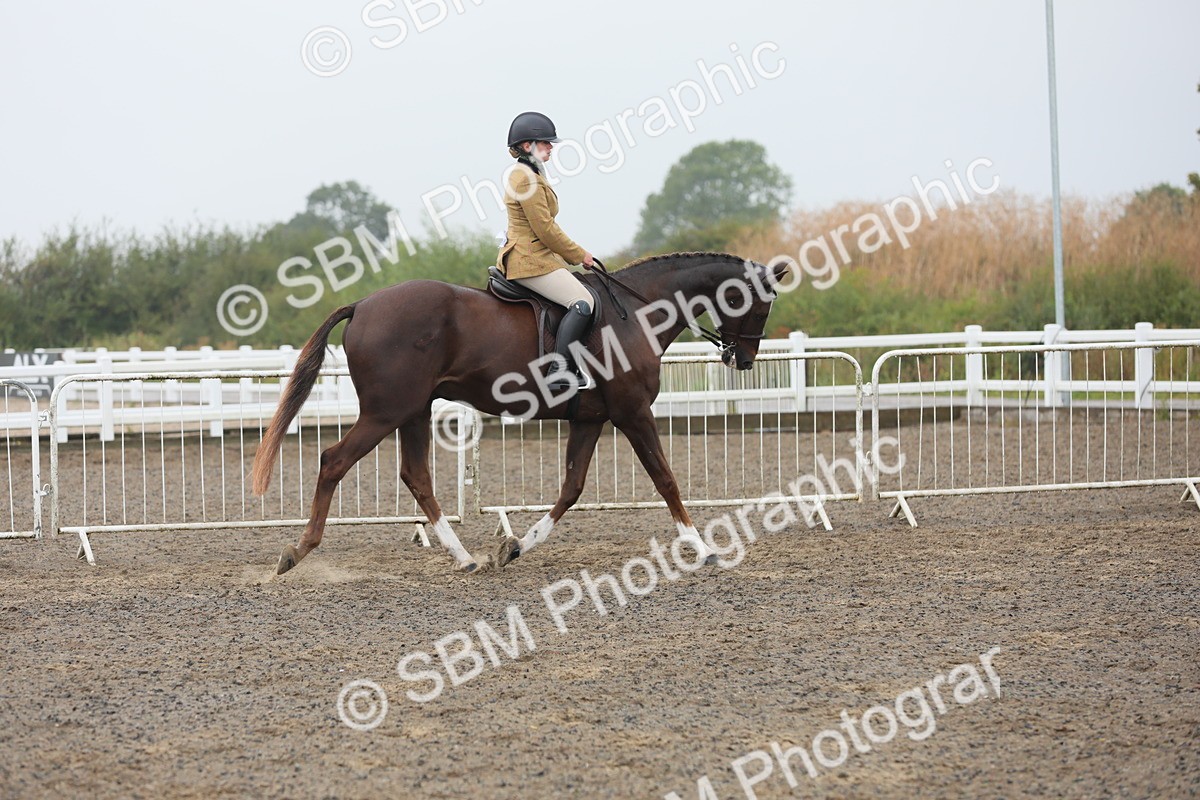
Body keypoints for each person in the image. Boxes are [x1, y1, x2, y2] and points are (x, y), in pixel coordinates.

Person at [497, 111, 596, 392]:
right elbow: (545, 229)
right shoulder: (525, 179)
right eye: (545, 143)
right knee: (582, 301)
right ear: (527, 145)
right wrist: (579, 255)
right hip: (528, 260)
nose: (551, 147)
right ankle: (559, 370)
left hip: (538, 256)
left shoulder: (531, 172)